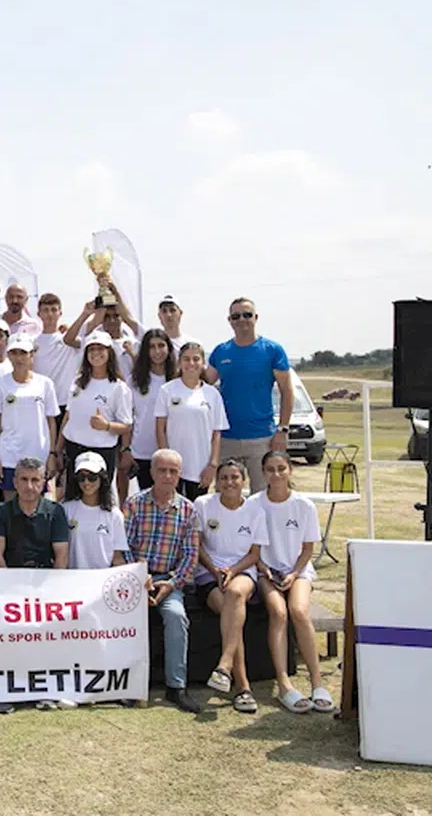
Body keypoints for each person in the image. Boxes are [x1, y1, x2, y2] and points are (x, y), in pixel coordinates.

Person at [252, 450, 332, 714]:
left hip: (298, 570)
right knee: (278, 612)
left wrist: (293, 574)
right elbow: (252, 550)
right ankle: (284, 684)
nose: (276, 474)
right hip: (265, 571)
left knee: (299, 611)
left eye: (281, 468)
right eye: (270, 469)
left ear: (290, 471)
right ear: (263, 473)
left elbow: (308, 550)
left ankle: (317, 683)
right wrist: (265, 570)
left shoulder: (304, 505)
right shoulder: (253, 504)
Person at [0, 456, 69, 713]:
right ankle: (5, 691)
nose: (29, 486)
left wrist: (51, 592)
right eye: (24, 479)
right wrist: (11, 589)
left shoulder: (56, 512)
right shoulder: (0, 512)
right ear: (15, 481)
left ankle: (44, 691)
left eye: (35, 480)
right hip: (8, 584)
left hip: (45, 584)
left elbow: (61, 555)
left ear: (44, 482)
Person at [123, 448, 200, 713]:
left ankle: (176, 687)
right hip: (136, 579)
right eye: (162, 470)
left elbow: (191, 555)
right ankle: (130, 686)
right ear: (152, 472)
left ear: (179, 476)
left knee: (177, 617)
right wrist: (138, 577)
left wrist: (172, 584)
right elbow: (125, 547)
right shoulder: (134, 504)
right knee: (126, 619)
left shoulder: (189, 511)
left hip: (169, 581)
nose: (167, 476)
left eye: (173, 471)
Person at [193, 459, 266, 714]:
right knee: (231, 613)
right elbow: (198, 545)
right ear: (216, 481)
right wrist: (214, 570)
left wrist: (233, 571)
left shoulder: (255, 511)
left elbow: (255, 554)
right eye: (223, 477)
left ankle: (224, 665)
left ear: (243, 481)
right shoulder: (203, 504)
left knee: (235, 594)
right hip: (208, 574)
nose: (229, 482)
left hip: (242, 572)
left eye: (235, 477)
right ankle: (243, 687)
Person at [209, 297, 294, 492]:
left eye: (247, 315)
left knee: (265, 496)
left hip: (262, 438)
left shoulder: (272, 350)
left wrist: (283, 429)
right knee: (226, 496)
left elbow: (286, 391)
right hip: (227, 437)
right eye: (236, 316)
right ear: (229, 320)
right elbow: (202, 382)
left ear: (255, 318)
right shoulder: (221, 352)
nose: (242, 320)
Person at [54, 328, 133, 495]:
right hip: (73, 450)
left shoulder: (119, 387)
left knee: (99, 503)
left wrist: (106, 426)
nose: (96, 353)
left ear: (110, 353)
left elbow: (126, 426)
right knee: (72, 501)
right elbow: (68, 416)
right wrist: (57, 450)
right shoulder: (77, 382)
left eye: (101, 349)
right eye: (91, 349)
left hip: (102, 452)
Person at [0, 334, 60, 496]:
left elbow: (51, 422)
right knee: (10, 508)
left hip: (38, 455)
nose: (19, 358)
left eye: (23, 353)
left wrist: (52, 455)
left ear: (31, 355)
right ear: (9, 355)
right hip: (9, 456)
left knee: (36, 509)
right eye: (14, 353)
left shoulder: (45, 384)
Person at [156, 342, 229, 500]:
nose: (191, 363)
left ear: (203, 363)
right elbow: (160, 429)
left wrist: (212, 465)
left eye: (196, 359)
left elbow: (217, 433)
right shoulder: (167, 390)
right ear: (179, 362)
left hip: (200, 468)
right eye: (186, 359)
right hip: (173, 468)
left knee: (196, 513)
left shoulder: (212, 394)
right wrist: (164, 463)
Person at [124, 328, 178, 497]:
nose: (157, 351)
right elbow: (128, 418)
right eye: (151, 347)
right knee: (149, 501)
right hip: (143, 451)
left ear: (169, 348)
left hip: (175, 450)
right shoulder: (134, 380)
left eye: (161, 346)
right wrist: (126, 449)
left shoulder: (178, 379)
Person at [62, 452, 128, 569]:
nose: (86, 482)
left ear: (101, 478)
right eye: (82, 478)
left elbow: (117, 556)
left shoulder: (114, 515)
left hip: (101, 580)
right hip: (72, 579)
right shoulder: (66, 509)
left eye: (92, 477)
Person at [31, 294, 81, 432]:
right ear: (39, 314)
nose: (50, 314)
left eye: (54, 310)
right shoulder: (31, 342)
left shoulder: (69, 340)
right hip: (41, 402)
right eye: (46, 310)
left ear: (60, 313)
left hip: (66, 403)